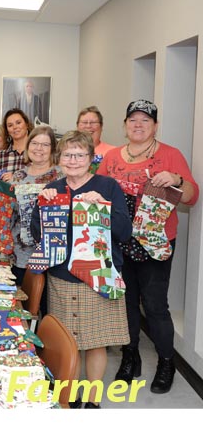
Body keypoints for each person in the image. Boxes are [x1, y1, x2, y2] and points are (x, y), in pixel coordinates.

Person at [97, 99, 199, 394]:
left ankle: (167, 362)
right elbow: (99, 191)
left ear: (155, 126)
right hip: (119, 240)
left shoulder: (170, 155)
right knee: (126, 303)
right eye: (133, 120)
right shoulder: (113, 156)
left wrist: (177, 179)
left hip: (155, 242)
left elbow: (191, 196)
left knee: (155, 306)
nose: (138, 125)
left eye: (145, 120)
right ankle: (131, 357)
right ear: (125, 125)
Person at [31, 130, 132, 409]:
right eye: (67, 154)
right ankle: (70, 398)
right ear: (59, 158)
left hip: (99, 275)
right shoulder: (54, 187)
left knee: (97, 341)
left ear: (91, 158)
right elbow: (38, 234)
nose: (73, 160)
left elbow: (124, 232)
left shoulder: (108, 186)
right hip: (62, 276)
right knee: (68, 341)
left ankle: (93, 400)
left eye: (80, 154)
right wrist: (44, 204)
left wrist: (103, 206)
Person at [0, 125, 63, 287]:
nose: (39, 148)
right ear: (28, 146)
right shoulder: (18, 176)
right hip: (20, 252)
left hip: (51, 252)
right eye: (35, 143)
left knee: (43, 303)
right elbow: (9, 215)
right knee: (23, 298)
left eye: (45, 145)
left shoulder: (61, 176)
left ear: (52, 149)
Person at [0, 108, 33, 186]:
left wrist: (15, 178)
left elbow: (44, 179)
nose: (15, 127)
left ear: (27, 124)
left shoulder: (38, 151)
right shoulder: (1, 156)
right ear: (7, 130)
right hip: (7, 197)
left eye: (18, 123)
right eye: (10, 125)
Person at [77, 106, 115, 173]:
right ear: (77, 126)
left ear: (101, 126)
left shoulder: (113, 152)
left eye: (93, 122)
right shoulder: (67, 151)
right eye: (84, 122)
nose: (88, 126)